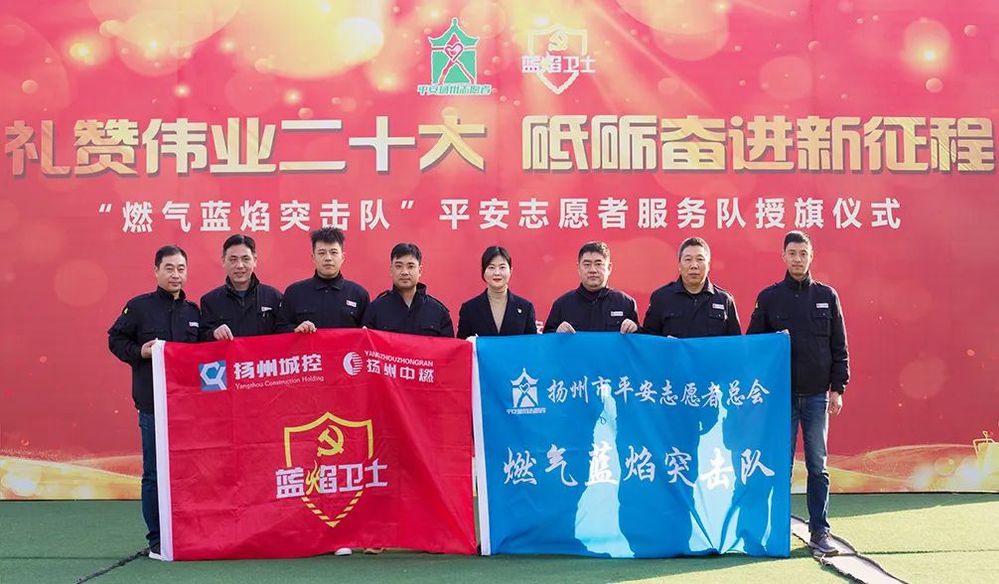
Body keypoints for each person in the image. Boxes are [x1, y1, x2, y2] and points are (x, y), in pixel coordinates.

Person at [747, 230, 850, 555]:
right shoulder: (769, 298)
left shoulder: (827, 296)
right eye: (792, 253)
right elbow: (754, 346)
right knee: (781, 465)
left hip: (818, 396)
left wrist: (838, 388)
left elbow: (839, 346)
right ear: (783, 256)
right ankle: (776, 531)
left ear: (811, 256)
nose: (797, 259)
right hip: (782, 398)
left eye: (803, 253)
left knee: (818, 465)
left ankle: (820, 531)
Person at [107, 245, 200, 559]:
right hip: (153, 406)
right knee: (154, 473)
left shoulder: (194, 313)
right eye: (169, 268)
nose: (176, 275)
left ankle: (186, 532)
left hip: (188, 408)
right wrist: (140, 352)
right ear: (156, 271)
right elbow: (116, 340)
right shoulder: (139, 307)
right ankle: (158, 538)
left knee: (188, 471)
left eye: (181, 269)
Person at [276, 227, 369, 334]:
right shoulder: (295, 292)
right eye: (322, 253)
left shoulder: (358, 294)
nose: (328, 258)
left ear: (342, 257)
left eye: (334, 252)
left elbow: (367, 335)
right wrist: (295, 329)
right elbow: (279, 330)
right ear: (313, 257)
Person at [642, 236, 740, 337]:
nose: (694, 265)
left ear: (708, 265)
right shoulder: (661, 298)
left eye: (700, 259)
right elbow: (648, 340)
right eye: (688, 259)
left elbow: (735, 343)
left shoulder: (724, 300)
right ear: (679, 265)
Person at [543, 241, 638, 333]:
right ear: (578, 268)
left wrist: (635, 329)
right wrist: (556, 333)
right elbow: (546, 339)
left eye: (598, 264)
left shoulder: (626, 303)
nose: (592, 270)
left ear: (609, 268)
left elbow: (638, 340)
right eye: (587, 264)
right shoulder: (562, 304)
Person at [199, 234, 282, 340]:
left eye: (245, 259)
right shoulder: (210, 301)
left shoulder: (273, 297)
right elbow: (201, 337)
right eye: (233, 260)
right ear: (223, 261)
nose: (239, 266)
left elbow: (284, 334)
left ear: (255, 261)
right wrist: (213, 333)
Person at [362, 243, 453, 337]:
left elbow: (448, 345)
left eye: (410, 266)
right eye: (398, 266)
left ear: (420, 271)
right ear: (391, 270)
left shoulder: (438, 311)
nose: (404, 272)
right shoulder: (376, 309)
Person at [456, 246, 538, 338]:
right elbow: (462, 344)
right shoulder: (469, 309)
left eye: (502, 267)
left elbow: (532, 343)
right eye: (491, 267)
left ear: (510, 271)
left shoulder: (526, 308)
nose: (497, 273)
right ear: (483, 272)